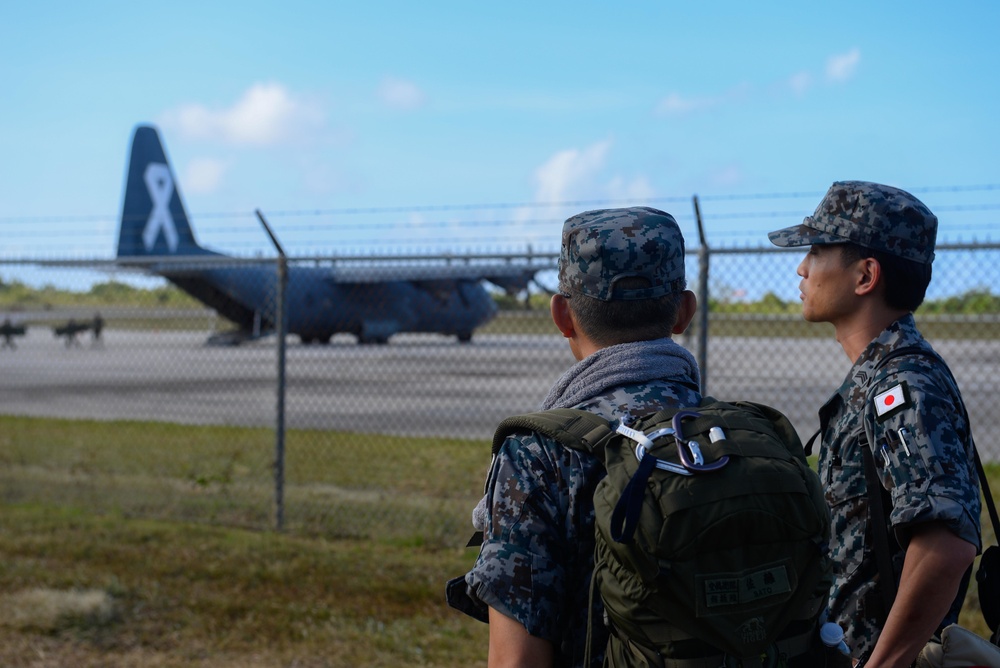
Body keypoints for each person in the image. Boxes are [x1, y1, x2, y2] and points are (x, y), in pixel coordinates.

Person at [447, 207, 701, 667]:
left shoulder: (538, 454)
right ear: (685, 312)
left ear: (562, 315)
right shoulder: (734, 437)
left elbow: (516, 661)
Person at [768, 181, 981, 667]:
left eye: (818, 251)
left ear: (866, 276)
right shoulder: (880, 377)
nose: (802, 267)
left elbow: (946, 544)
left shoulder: (902, 385)